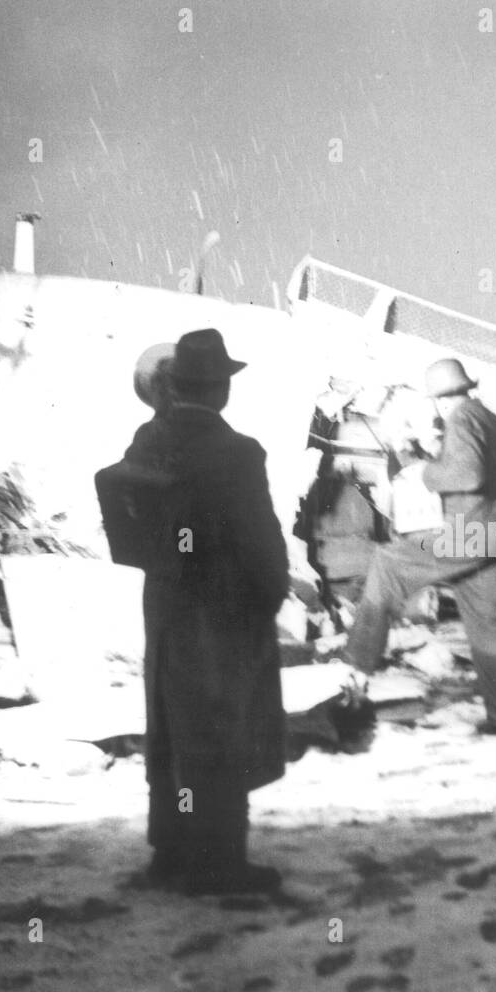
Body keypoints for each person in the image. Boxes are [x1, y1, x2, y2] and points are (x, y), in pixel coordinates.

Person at [99, 328, 289, 893]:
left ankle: (172, 852)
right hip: (223, 605)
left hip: (165, 601)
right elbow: (260, 537)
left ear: (175, 386)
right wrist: (272, 591)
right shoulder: (237, 451)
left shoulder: (147, 438)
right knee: (221, 726)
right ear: (221, 390)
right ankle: (220, 862)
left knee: (171, 724)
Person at [344, 358, 496, 733]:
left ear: (439, 398)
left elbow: (466, 474)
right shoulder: (492, 421)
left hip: (469, 533)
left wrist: (423, 471)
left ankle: (354, 680)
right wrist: (436, 453)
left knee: (387, 564)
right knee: (488, 625)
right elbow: (479, 468)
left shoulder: (460, 419)